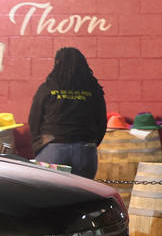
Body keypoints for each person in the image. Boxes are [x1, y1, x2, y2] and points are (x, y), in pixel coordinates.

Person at [28, 47, 107, 179]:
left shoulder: (48, 87)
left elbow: (34, 119)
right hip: (84, 150)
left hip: (52, 148)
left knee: (50, 196)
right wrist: (91, 142)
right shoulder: (93, 89)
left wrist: (38, 144)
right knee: (83, 196)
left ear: (57, 63)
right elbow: (102, 121)